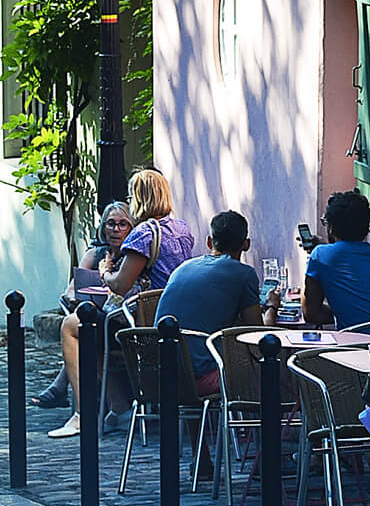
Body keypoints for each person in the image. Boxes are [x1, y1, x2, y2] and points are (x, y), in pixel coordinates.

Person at [50, 168, 196, 439]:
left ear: (140, 197)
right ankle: (118, 408)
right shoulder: (182, 228)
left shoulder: (144, 233)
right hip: (175, 319)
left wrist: (105, 270)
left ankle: (83, 415)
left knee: (73, 326)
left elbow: (120, 284)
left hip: (144, 325)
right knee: (92, 331)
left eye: (132, 194)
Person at [31, 201, 132, 408]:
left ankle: (65, 392)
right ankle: (78, 398)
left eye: (123, 224)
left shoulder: (132, 256)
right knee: (83, 326)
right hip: (94, 315)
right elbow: (69, 291)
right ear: (103, 227)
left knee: (82, 331)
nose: (116, 229)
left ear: (131, 227)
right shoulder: (95, 254)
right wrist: (81, 297)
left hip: (118, 320)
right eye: (111, 224)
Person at [155, 210, 262, 397]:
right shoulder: (244, 274)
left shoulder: (183, 267)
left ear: (209, 242)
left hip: (158, 374)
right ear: (246, 244)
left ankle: (200, 427)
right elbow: (257, 333)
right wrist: (272, 307)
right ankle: (258, 424)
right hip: (200, 380)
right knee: (259, 364)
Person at [295, 189, 370, 330]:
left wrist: (313, 259)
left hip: (354, 344)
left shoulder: (320, 255)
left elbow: (311, 314)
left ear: (331, 228)